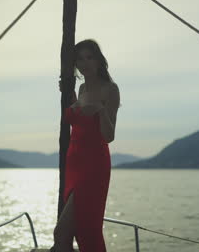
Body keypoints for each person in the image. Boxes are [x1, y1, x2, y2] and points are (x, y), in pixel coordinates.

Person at [51, 39, 120, 252]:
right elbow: (78, 120)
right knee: (78, 230)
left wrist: (100, 110)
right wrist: (70, 97)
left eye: (89, 57)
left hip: (94, 166)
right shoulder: (80, 89)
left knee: (66, 232)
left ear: (99, 59)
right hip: (75, 164)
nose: (84, 63)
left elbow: (109, 136)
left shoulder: (110, 89)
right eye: (80, 58)